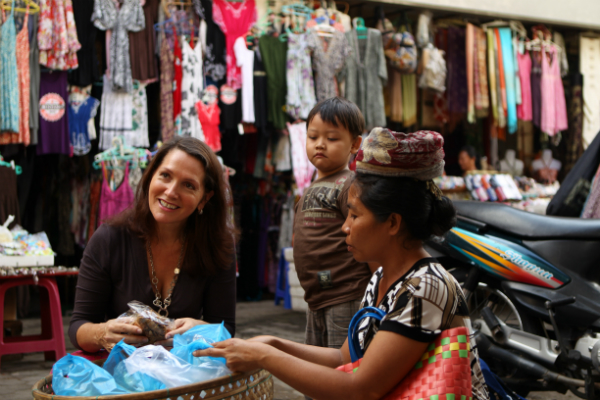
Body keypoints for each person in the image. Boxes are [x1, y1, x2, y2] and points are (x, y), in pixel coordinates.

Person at [195, 128, 489, 400]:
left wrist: (264, 357)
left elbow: (361, 388)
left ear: (393, 222)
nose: (344, 227)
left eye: (354, 215)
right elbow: (344, 358)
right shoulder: (382, 278)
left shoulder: (427, 288)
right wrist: (272, 344)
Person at [69, 136, 237, 353]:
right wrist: (102, 333)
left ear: (204, 199)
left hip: (186, 377)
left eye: (188, 185)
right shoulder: (109, 239)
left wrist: (202, 328)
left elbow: (226, 328)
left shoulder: (218, 247)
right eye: (165, 176)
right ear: (150, 177)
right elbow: (78, 327)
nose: (171, 191)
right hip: (121, 377)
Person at [292, 97, 372, 356]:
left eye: (332, 138)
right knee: (315, 369)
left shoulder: (350, 185)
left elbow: (366, 238)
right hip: (315, 298)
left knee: (342, 368)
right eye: (313, 137)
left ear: (355, 144)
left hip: (345, 294)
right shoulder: (308, 190)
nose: (320, 145)